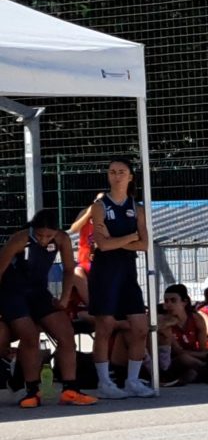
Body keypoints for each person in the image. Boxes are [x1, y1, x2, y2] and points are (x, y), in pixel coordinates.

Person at [72, 155, 154, 398]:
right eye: (112, 172)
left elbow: (144, 245)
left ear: (130, 177)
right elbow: (102, 245)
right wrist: (130, 237)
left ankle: (133, 380)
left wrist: (119, 240)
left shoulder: (136, 208)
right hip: (105, 272)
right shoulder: (100, 207)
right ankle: (105, 382)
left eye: (121, 172)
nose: (116, 176)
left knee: (140, 327)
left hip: (127, 272)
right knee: (105, 325)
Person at [1, 212, 97, 408]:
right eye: (40, 235)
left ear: (56, 232)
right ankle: (31, 391)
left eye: (49, 236)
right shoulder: (19, 239)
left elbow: (69, 269)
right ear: (32, 230)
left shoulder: (62, 238)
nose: (44, 240)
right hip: (13, 293)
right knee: (30, 336)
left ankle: (70, 389)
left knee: (66, 334)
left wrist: (64, 298)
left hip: (39, 293)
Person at [156, 283, 208, 385]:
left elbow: (204, 350)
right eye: (166, 301)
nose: (168, 304)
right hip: (170, 361)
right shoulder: (164, 321)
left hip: (192, 357)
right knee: (184, 359)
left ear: (185, 302)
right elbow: (177, 351)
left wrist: (199, 355)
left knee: (192, 371)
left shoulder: (196, 319)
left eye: (173, 300)